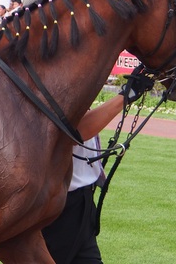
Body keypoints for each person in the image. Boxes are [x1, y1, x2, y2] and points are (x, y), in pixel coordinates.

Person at [42, 73, 154, 264]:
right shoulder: (53, 89)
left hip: (82, 205)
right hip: (60, 210)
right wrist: (125, 95)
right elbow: (78, 132)